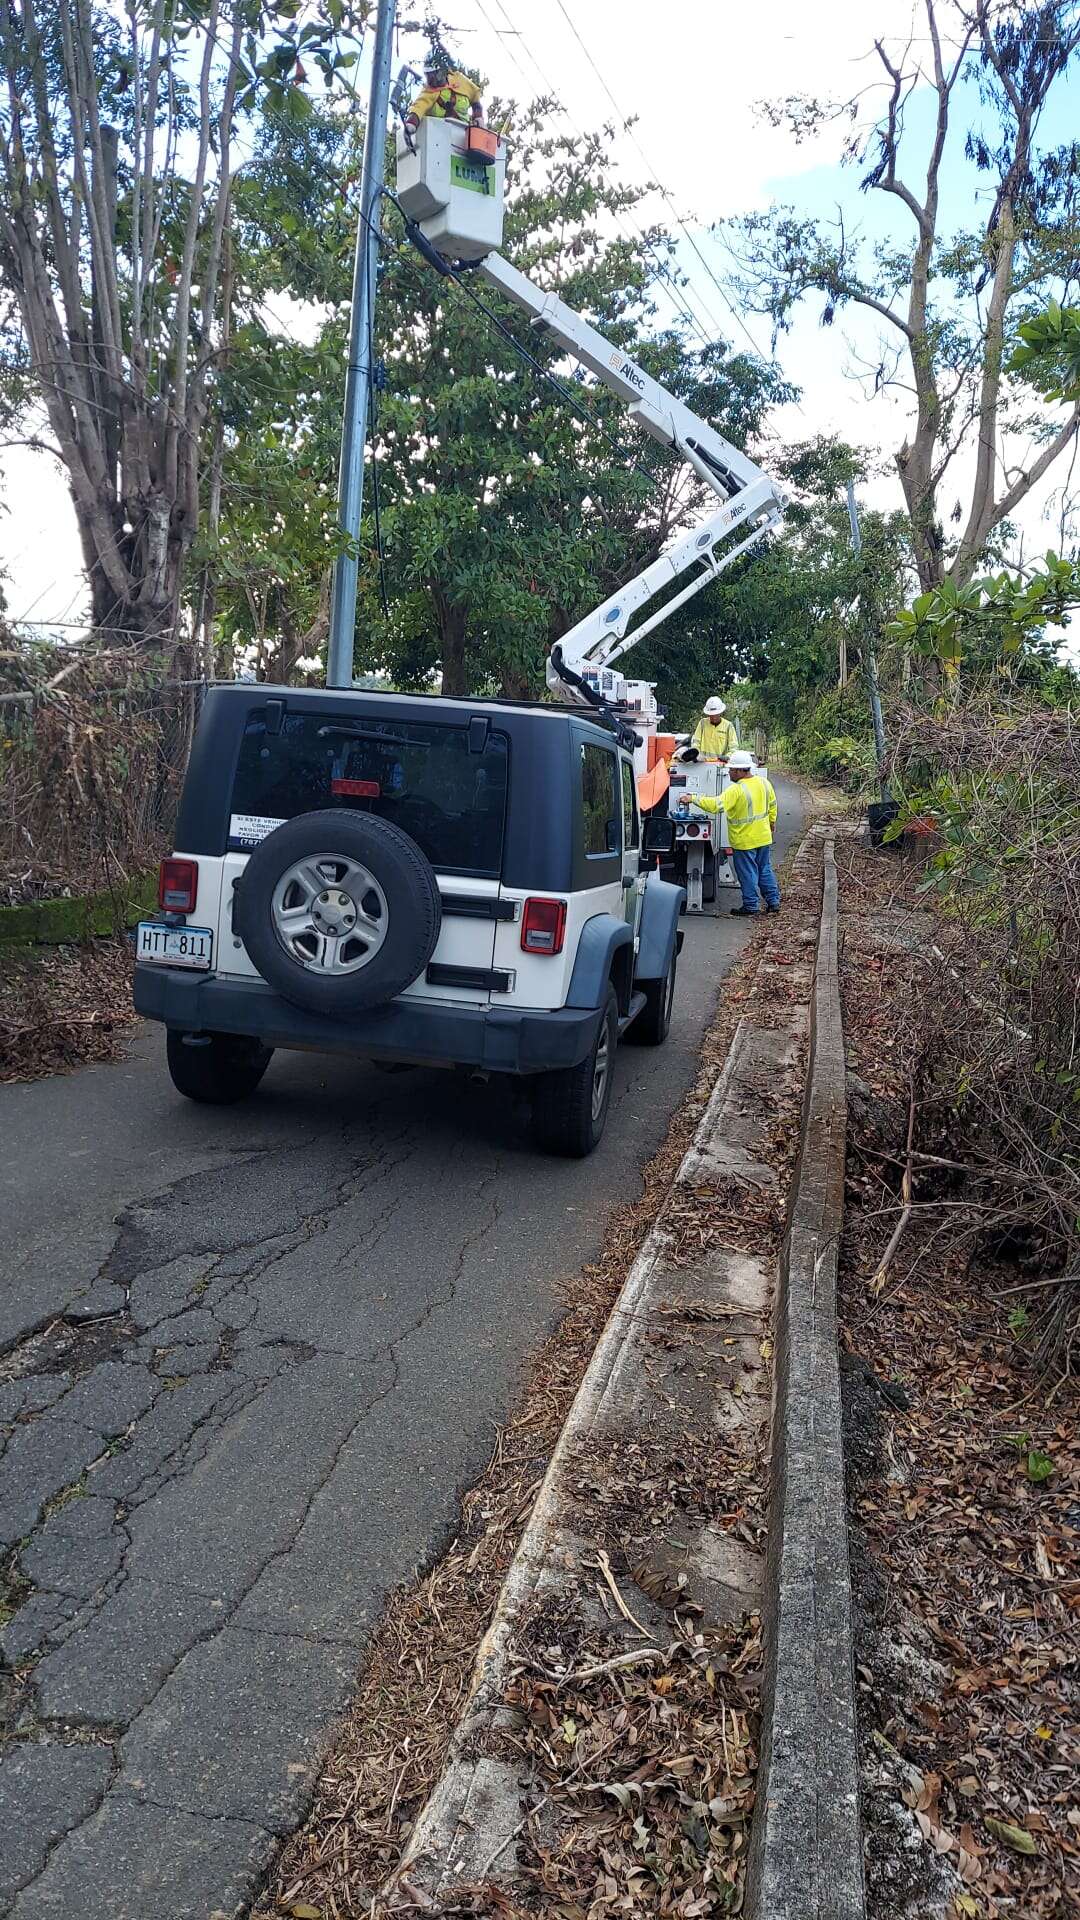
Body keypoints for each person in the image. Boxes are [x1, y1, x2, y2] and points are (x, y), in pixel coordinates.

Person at [677, 748, 780, 917]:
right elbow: (773, 804)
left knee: (747, 873)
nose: (729, 772)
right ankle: (773, 902)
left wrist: (693, 798)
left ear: (740, 771)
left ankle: (751, 906)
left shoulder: (736, 790)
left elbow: (716, 805)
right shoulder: (764, 783)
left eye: (731, 770)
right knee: (764, 869)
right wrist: (772, 822)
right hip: (763, 836)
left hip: (744, 840)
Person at [404, 60, 484, 138]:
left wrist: (478, 117)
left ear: (442, 72)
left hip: (464, 135)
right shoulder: (428, 91)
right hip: (439, 136)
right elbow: (418, 107)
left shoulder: (459, 80)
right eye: (428, 75)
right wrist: (411, 124)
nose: (431, 80)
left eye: (434, 75)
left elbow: (475, 98)